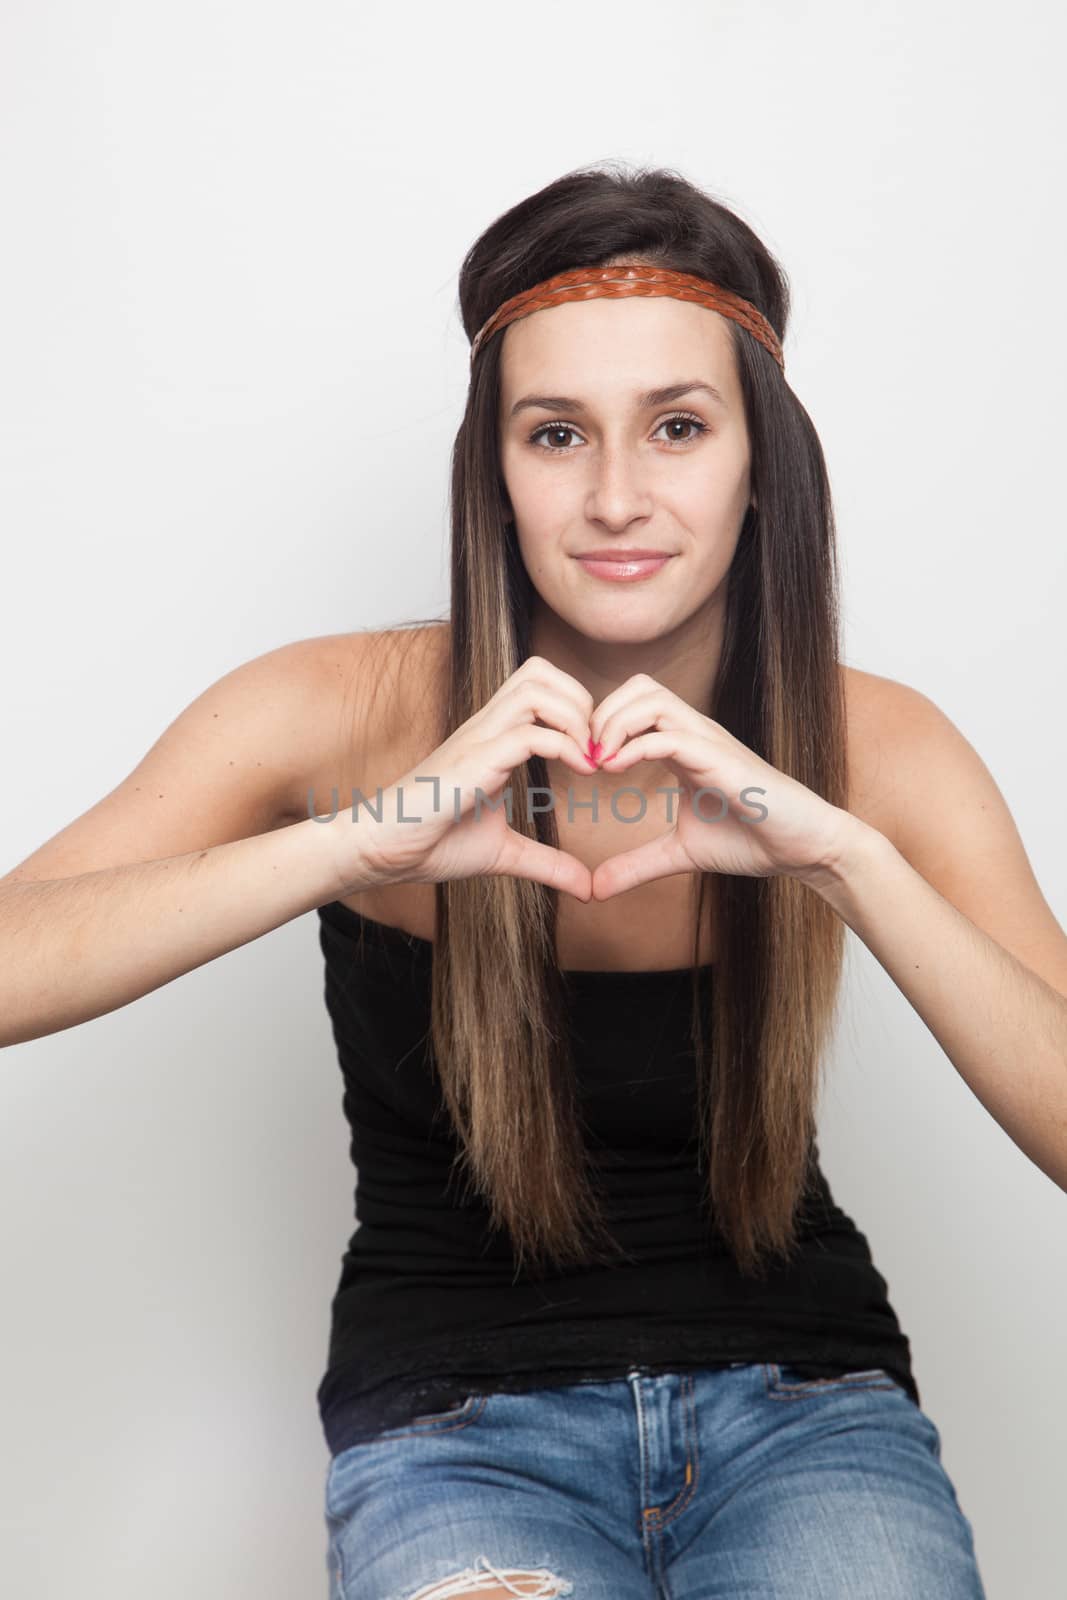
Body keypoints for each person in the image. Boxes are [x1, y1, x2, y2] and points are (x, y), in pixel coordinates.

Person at [8, 162, 1067, 1600]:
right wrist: (351, 843)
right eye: (557, 431)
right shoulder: (337, 714)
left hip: (807, 1415)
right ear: (493, 470)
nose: (618, 496)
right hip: (455, 1433)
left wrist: (849, 859)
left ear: (761, 461)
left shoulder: (874, 744)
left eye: (678, 428)